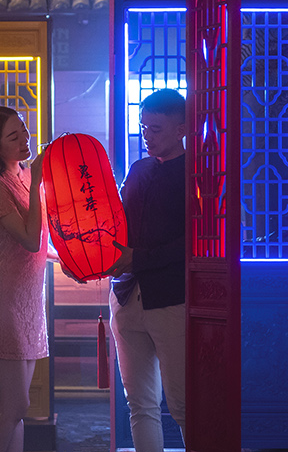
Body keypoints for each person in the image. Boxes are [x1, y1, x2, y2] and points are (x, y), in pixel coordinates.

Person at [108, 88, 187, 452]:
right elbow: (117, 226)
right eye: (144, 128)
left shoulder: (193, 174)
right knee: (139, 403)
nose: (148, 136)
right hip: (125, 295)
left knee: (183, 405)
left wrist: (136, 259)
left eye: (156, 129)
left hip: (170, 298)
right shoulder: (138, 170)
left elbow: (190, 245)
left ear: (181, 129)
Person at [0, 105, 47, 452]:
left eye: (25, 131)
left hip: (30, 300)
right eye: (13, 136)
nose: (25, 139)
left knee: (14, 410)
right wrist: (39, 183)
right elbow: (30, 239)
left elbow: (44, 237)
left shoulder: (26, 176)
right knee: (17, 406)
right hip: (7, 301)